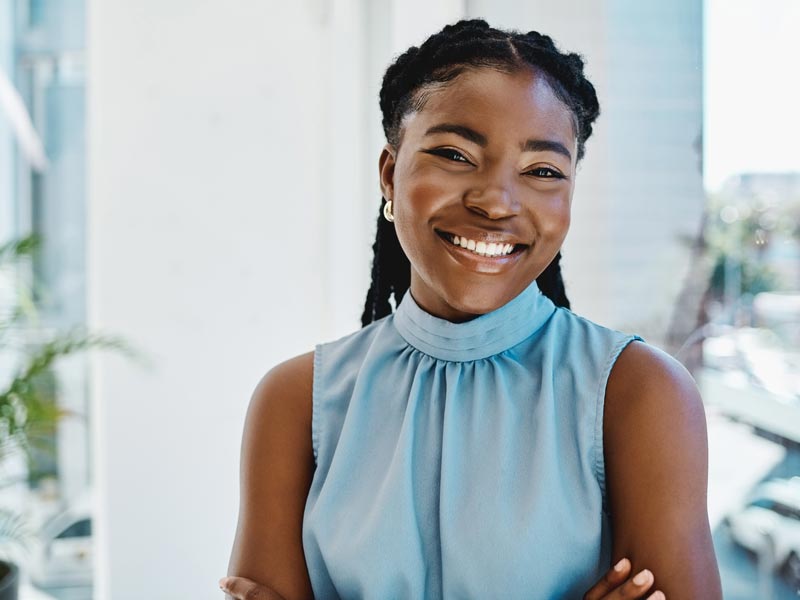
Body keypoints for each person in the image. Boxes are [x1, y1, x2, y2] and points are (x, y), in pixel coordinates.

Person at [220, 19, 722, 600]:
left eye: (542, 171)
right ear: (389, 173)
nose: (496, 201)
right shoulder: (294, 402)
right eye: (456, 154)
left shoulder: (638, 394)